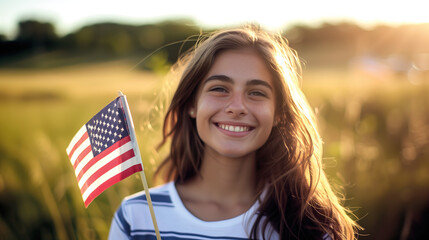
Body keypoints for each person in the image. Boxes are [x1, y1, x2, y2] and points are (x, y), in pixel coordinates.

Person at [108, 26, 359, 240]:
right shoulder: (136, 217)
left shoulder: (309, 225)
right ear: (192, 104)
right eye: (219, 88)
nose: (237, 107)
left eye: (257, 92)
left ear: (278, 113)